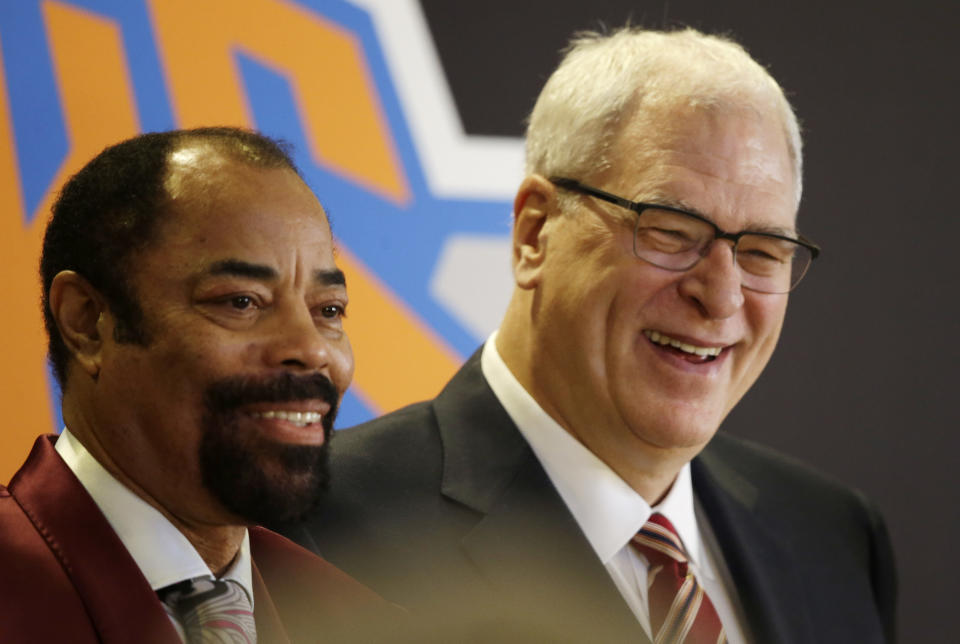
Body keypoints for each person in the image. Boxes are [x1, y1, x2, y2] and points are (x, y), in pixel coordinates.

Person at [276, 28, 897, 643]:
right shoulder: (316, 530)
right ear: (534, 233)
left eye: (762, 251)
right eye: (672, 231)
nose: (723, 295)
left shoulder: (833, 537)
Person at [0, 127, 401, 642]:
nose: (314, 350)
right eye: (241, 301)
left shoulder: (368, 625)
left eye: (328, 311)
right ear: (87, 322)